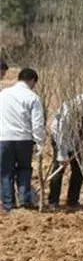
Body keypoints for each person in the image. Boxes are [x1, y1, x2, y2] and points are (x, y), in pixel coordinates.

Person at [0, 68, 44, 213]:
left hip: (4, 138)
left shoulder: (3, 94)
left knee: (6, 172)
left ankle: (8, 205)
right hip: (24, 139)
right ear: (32, 80)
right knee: (24, 169)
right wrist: (40, 142)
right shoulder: (32, 97)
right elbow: (37, 124)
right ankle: (25, 202)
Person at [49, 93, 83, 210]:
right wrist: (62, 156)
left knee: (78, 170)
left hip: (79, 139)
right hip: (60, 138)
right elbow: (61, 135)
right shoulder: (67, 112)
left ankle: (72, 201)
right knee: (59, 169)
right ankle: (53, 201)